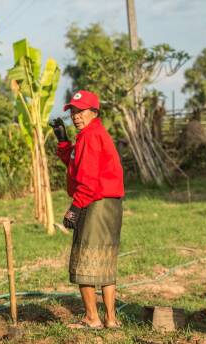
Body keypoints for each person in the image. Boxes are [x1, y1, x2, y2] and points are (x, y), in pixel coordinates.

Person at [51, 90, 125, 329]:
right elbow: (77, 164)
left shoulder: (90, 136)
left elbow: (88, 179)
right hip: (108, 202)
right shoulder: (92, 134)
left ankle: (92, 318)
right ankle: (111, 319)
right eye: (73, 111)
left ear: (94, 112)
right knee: (105, 257)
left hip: (95, 201)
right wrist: (63, 142)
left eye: (81, 111)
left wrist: (75, 207)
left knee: (85, 258)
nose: (75, 116)